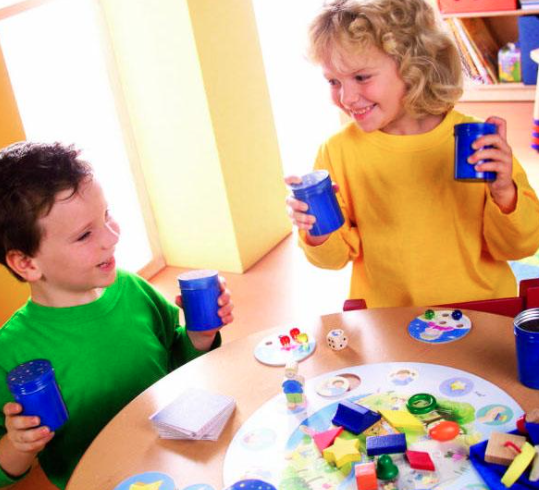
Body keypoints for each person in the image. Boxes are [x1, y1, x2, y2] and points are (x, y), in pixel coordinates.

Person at [0, 141, 234, 489]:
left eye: (106, 215)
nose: (112, 237)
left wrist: (199, 338)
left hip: (180, 461)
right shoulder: (11, 351)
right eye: (84, 235)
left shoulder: (131, 288)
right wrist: (18, 444)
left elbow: (175, 362)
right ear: (26, 263)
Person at [286, 0, 539, 308]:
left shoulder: (477, 142)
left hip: (481, 310)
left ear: (414, 65)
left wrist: (505, 193)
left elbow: (521, 246)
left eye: (361, 77)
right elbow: (333, 259)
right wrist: (315, 230)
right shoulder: (336, 152)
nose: (346, 97)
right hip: (390, 317)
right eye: (333, 81)